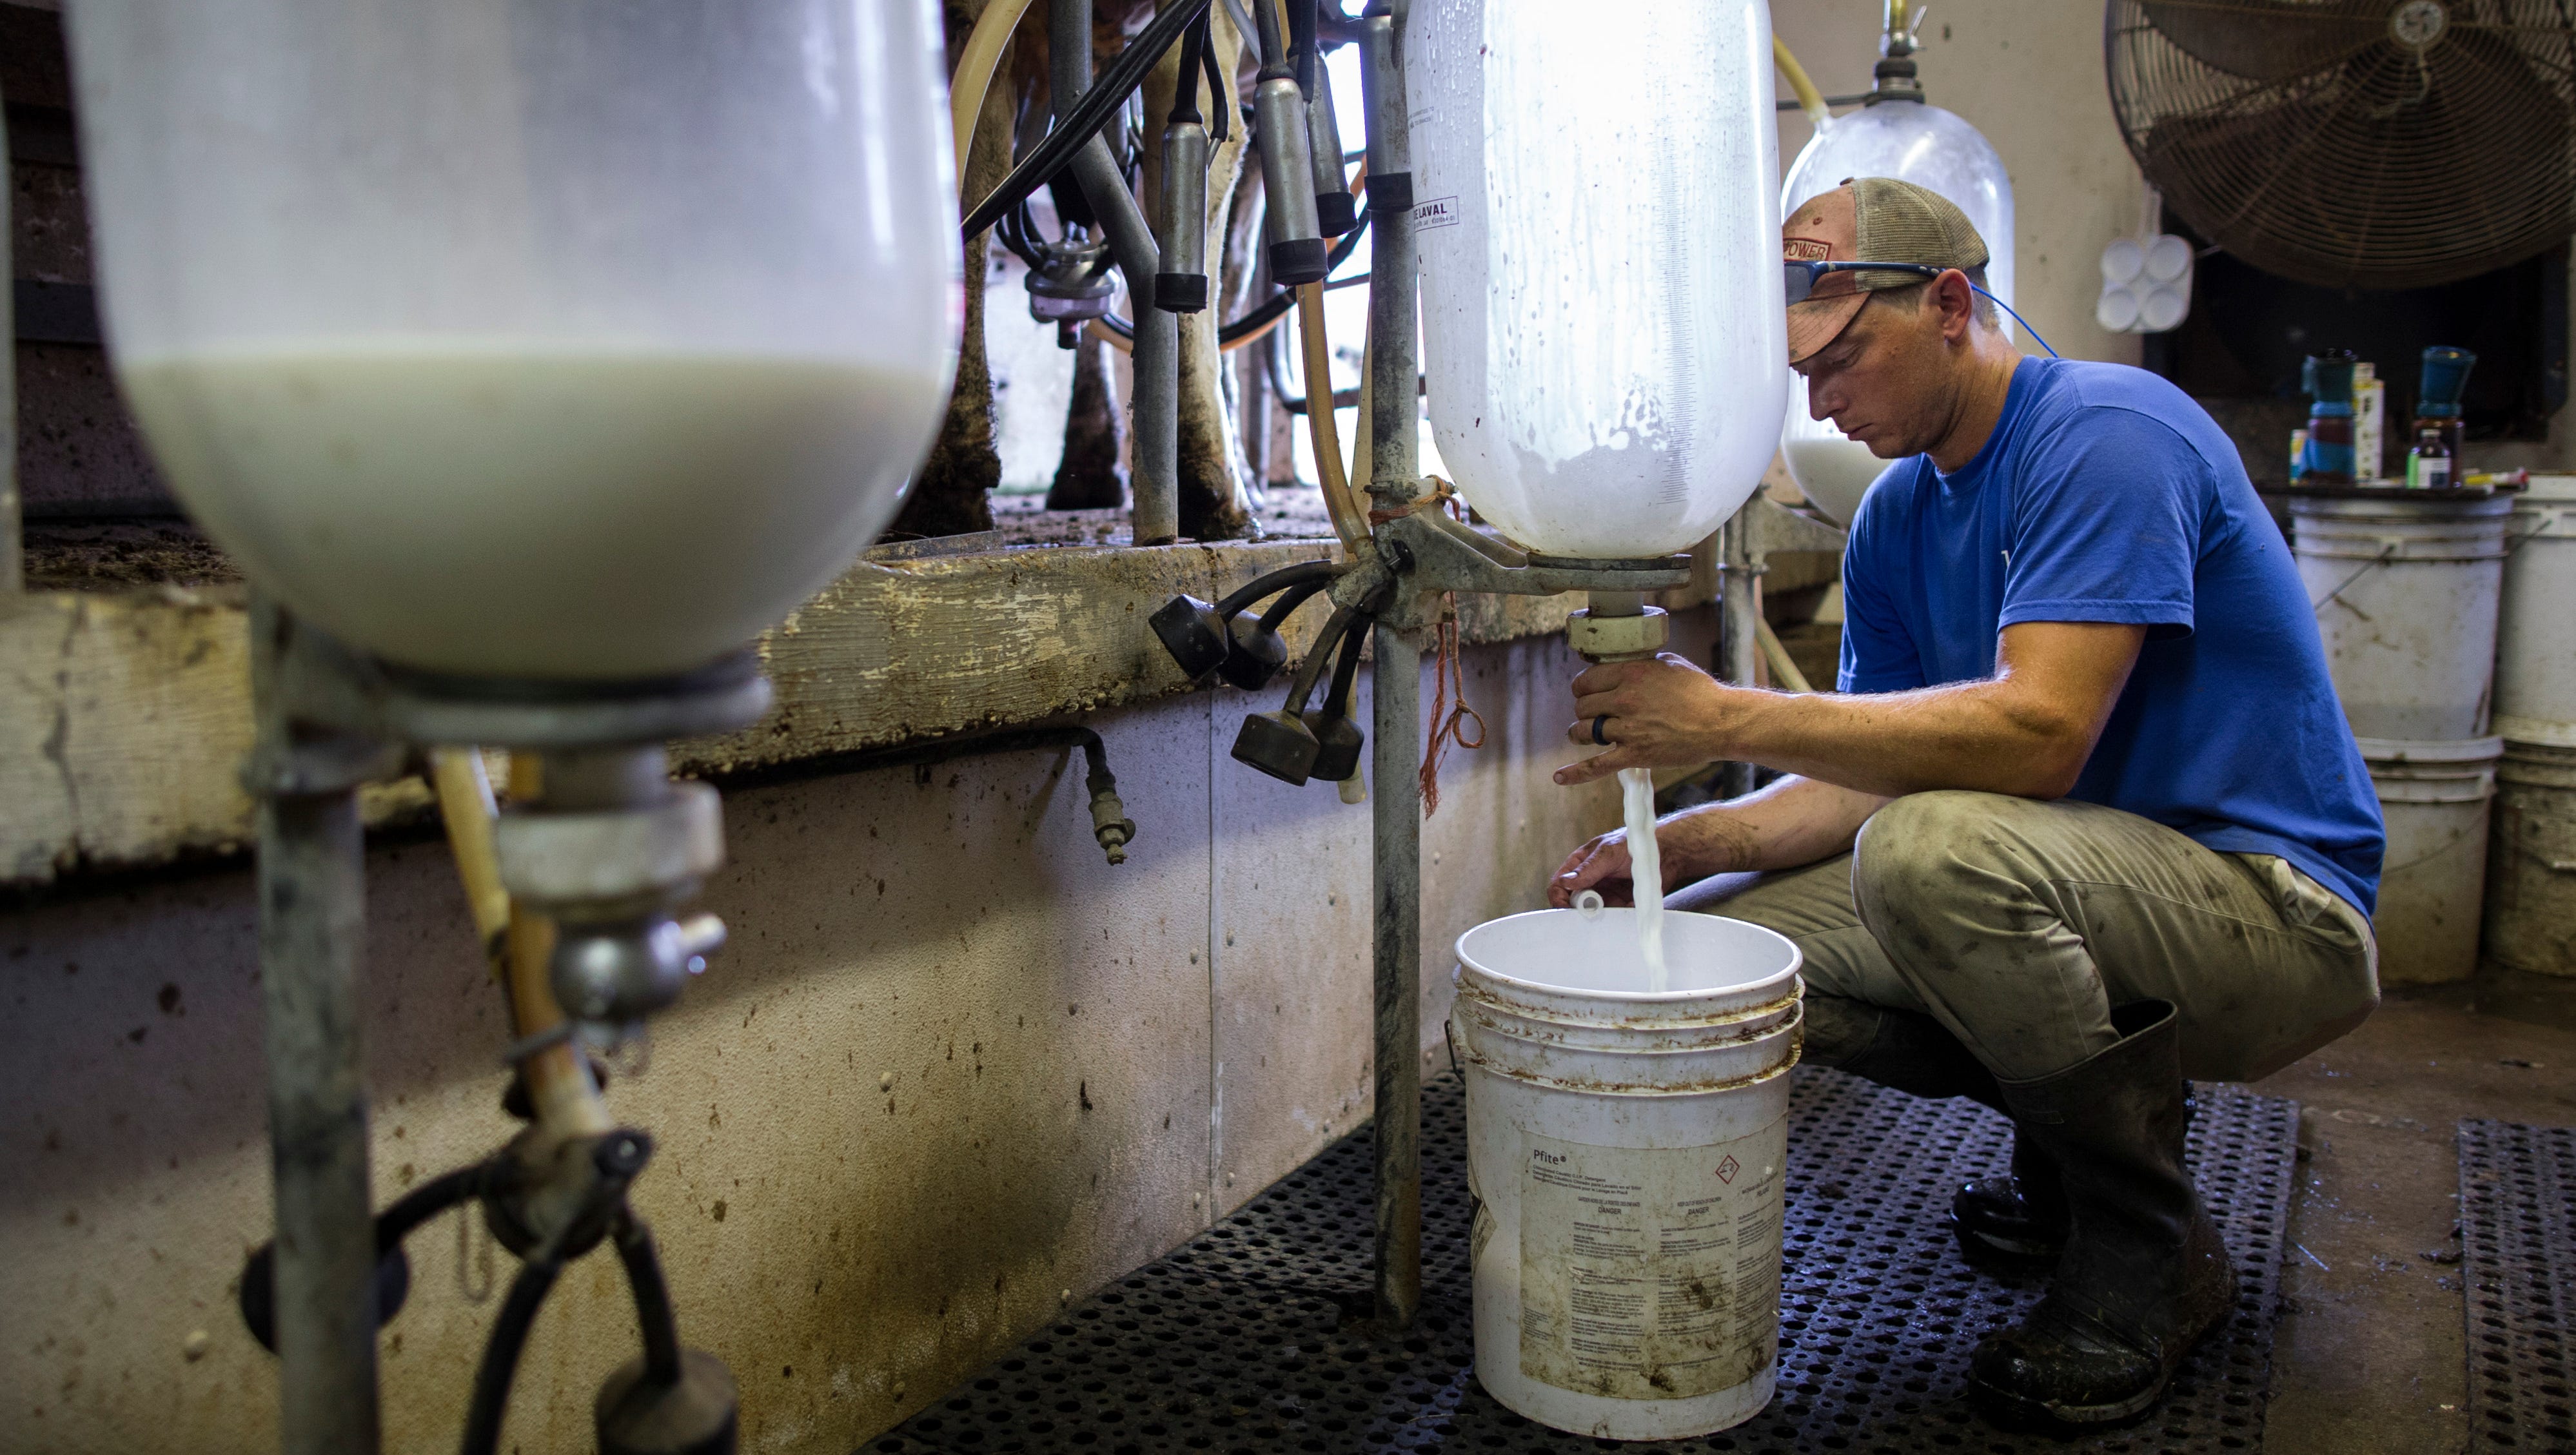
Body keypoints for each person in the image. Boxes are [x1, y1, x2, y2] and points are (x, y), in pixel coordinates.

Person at [1547, 178, 2383, 1431]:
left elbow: (2040, 734)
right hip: (2083, 888)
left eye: (1842, 361)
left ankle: (2149, 1249)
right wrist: (1670, 846)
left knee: (1933, 852)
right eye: (1801, 378)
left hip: (2272, 909)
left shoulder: (2107, 433)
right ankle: (2072, 1155)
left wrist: (1723, 717)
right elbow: (1852, 775)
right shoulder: (1891, 516)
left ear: (1948, 304)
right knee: (1713, 950)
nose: (1822, 402)